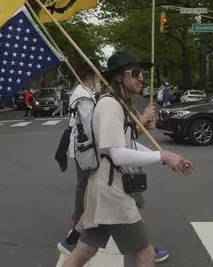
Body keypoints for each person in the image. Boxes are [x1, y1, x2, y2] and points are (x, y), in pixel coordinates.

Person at [62, 51, 193, 267]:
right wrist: (162, 155)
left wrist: (165, 158)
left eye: (141, 74)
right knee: (145, 255)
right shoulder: (110, 105)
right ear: (119, 77)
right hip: (113, 191)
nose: (141, 78)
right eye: (135, 73)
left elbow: (126, 144)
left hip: (105, 188)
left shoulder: (118, 104)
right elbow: (117, 154)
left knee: (84, 250)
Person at [57, 58, 103, 255]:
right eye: (98, 73)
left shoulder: (84, 93)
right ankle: (78, 224)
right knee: (86, 186)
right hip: (86, 150)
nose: (100, 76)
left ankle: (79, 223)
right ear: (91, 74)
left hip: (83, 149)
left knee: (87, 186)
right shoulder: (83, 96)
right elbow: (90, 125)